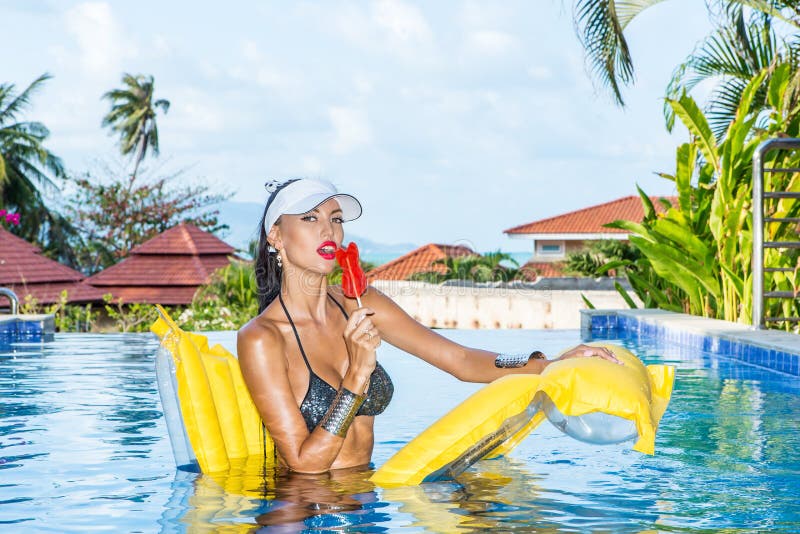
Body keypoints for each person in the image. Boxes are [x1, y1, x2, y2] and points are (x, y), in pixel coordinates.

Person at [237, 178, 619, 475]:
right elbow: (305, 463)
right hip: (307, 510)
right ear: (276, 236)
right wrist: (357, 373)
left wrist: (548, 363)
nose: (329, 231)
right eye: (310, 219)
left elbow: (461, 359)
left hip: (370, 497)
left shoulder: (361, 303)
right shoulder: (262, 339)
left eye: (335, 219)